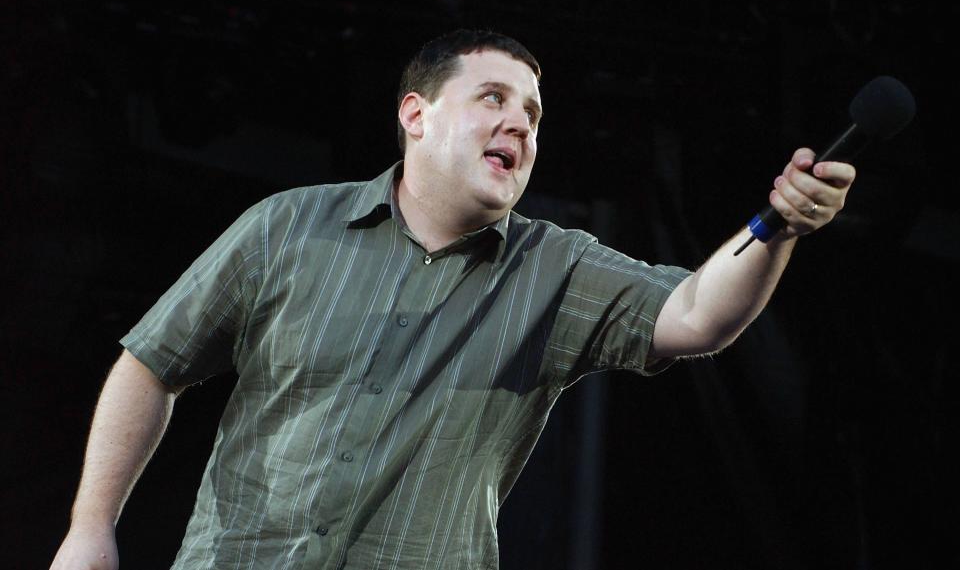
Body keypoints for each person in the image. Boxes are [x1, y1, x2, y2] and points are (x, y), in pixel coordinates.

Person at [50, 29, 855, 570]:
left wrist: (776, 225)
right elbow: (151, 363)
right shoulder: (287, 226)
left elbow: (696, 315)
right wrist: (91, 527)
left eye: (533, 115)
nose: (521, 124)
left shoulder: (556, 267)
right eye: (495, 99)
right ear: (416, 115)